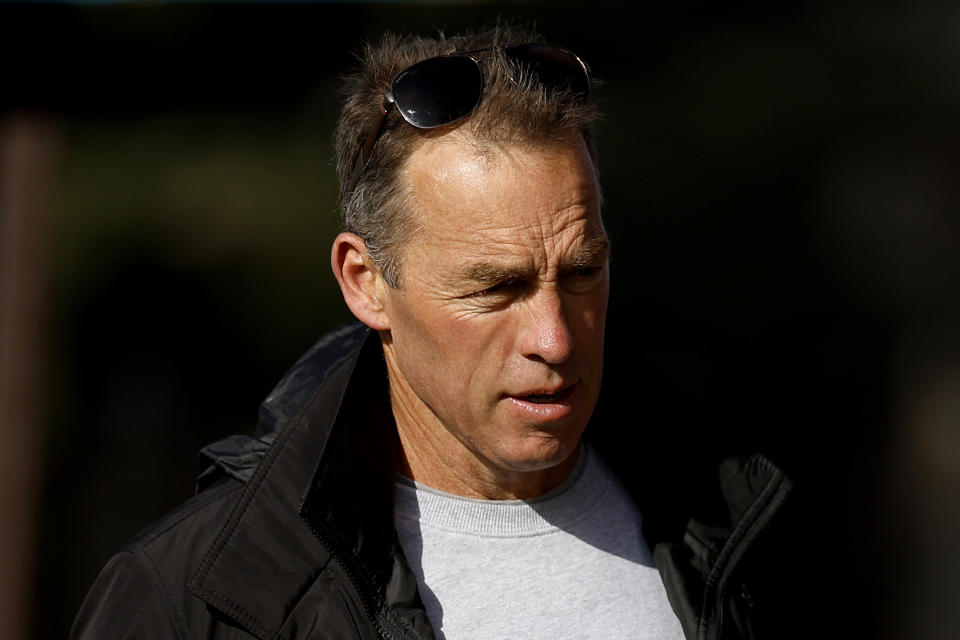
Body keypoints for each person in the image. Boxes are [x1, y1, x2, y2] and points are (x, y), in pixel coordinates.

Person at [71, 25, 792, 640]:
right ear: (366, 282)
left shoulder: (737, 524)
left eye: (581, 273)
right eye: (494, 288)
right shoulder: (200, 597)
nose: (556, 338)